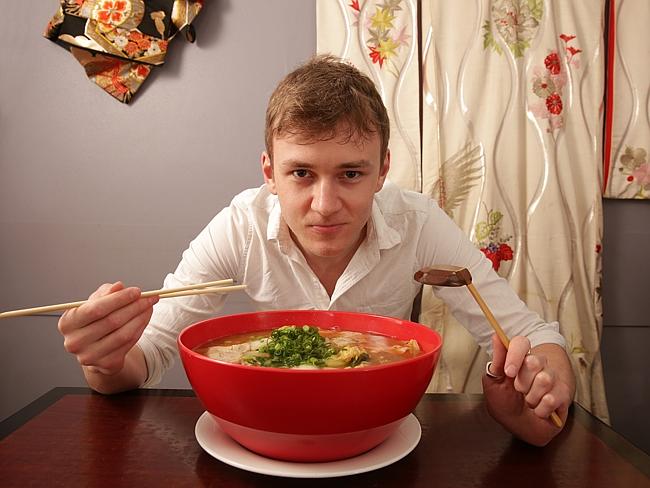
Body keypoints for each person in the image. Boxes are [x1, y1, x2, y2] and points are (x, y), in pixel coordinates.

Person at [58, 54, 575, 447]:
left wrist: (540, 389)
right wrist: (105, 361)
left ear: (382, 170)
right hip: (268, 434)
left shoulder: (419, 223)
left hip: (376, 433)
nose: (324, 205)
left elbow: (532, 336)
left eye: (350, 173)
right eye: (301, 173)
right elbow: (145, 358)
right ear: (269, 172)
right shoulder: (239, 226)